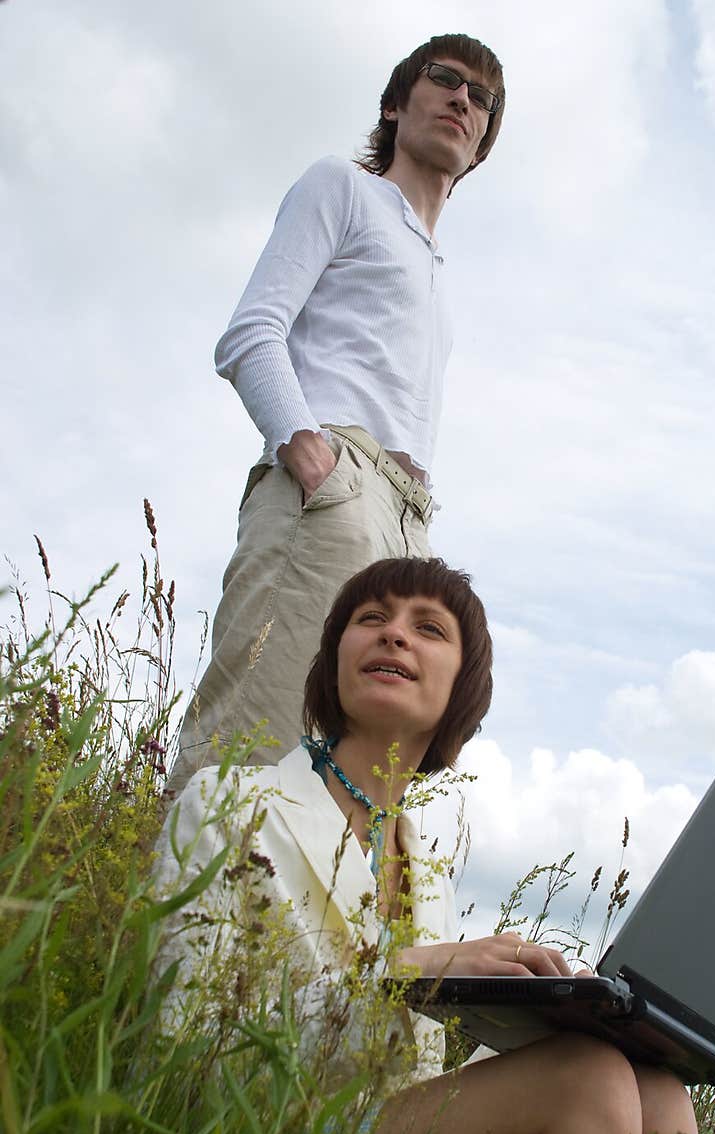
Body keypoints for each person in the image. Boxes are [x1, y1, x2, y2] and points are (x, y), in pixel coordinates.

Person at [154, 556, 713, 1134]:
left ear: (462, 688)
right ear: (335, 659)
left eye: (428, 628)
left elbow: (409, 1086)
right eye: (371, 617)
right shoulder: (229, 804)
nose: (395, 635)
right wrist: (404, 968)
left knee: (656, 1090)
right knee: (588, 1080)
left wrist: (551, 1017)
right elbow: (192, 1048)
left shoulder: (429, 874)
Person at [164, 35, 505, 799]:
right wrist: (311, 458)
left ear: (482, 144)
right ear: (395, 105)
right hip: (334, 488)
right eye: (443, 80)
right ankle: (175, 919)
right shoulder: (343, 189)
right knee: (255, 741)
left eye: (480, 98)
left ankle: (294, 926)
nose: (462, 99)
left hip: (408, 518)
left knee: (351, 778)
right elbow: (252, 333)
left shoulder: (436, 268)